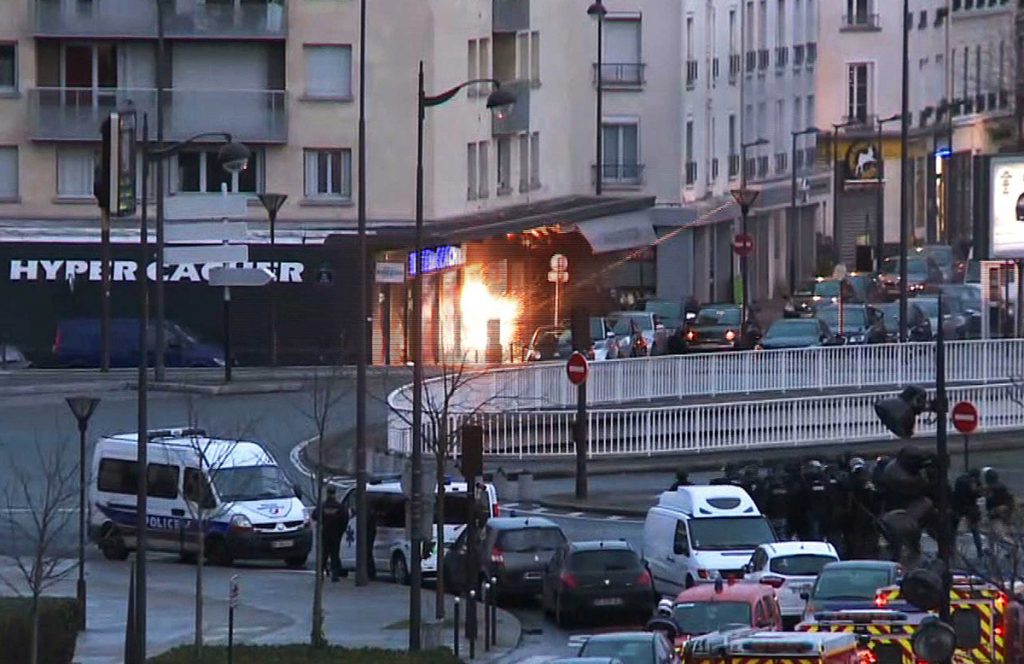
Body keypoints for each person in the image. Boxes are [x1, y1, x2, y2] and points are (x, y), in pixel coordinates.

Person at [312, 485, 346, 582]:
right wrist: (340, 531)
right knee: (335, 554)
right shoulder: (339, 507)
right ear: (334, 494)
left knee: (324, 554)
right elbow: (344, 520)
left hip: (325, 533)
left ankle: (320, 574)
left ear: (327, 493)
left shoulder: (322, 506)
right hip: (335, 534)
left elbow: (314, 516)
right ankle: (335, 575)